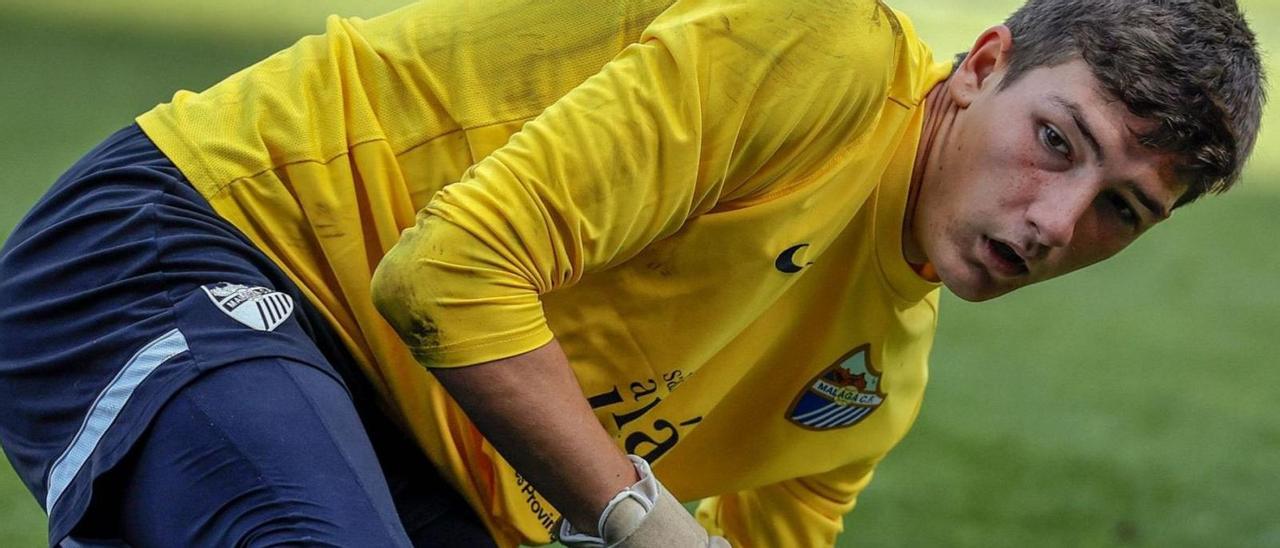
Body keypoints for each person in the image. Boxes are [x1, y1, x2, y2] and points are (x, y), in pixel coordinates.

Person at [0, 0, 1264, 546]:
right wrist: (635, 511)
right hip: (195, 244)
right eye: (1056, 142)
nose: (1054, 220)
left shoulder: (862, 392)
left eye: (1118, 211)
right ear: (980, 63)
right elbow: (445, 270)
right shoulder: (810, 50)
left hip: (404, 435)